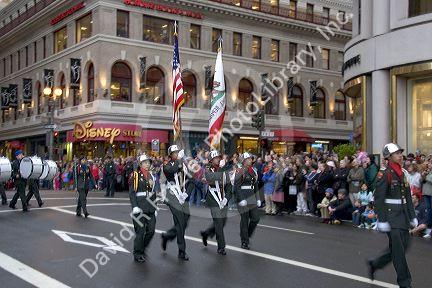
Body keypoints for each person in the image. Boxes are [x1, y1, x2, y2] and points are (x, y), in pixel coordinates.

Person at [367, 143, 417, 288]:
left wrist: (412, 215)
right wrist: (382, 220)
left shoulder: (402, 173)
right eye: (397, 153)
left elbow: (407, 195)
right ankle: (405, 283)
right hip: (391, 217)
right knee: (399, 252)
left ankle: (375, 264)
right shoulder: (385, 173)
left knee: (403, 247)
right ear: (389, 157)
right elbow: (379, 199)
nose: (400, 155)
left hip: (403, 216)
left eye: (400, 153)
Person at [161, 145, 191, 261]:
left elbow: (191, 180)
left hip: (182, 196)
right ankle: (182, 251)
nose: (177, 154)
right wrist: (179, 159)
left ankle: (167, 236)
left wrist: (187, 193)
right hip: (172, 196)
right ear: (170, 156)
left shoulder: (184, 165)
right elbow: (173, 170)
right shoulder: (167, 165)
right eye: (175, 153)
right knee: (180, 221)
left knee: (185, 219)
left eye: (178, 152)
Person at [200, 150, 232, 255]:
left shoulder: (223, 169)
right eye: (216, 158)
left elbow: (229, 186)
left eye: (219, 157)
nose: (218, 159)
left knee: (223, 222)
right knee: (218, 222)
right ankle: (221, 247)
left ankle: (206, 233)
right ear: (211, 160)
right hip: (213, 198)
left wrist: (227, 198)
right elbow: (211, 178)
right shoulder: (208, 169)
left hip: (223, 198)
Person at [129, 154, 158, 263]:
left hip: (150, 207)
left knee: (151, 231)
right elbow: (132, 193)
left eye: (148, 162)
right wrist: (135, 206)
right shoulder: (135, 175)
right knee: (140, 232)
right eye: (145, 162)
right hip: (139, 207)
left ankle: (142, 248)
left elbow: (153, 193)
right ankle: (137, 253)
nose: (147, 164)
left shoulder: (151, 176)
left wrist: (155, 207)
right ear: (140, 164)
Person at [233, 152, 260, 250]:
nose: (250, 160)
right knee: (244, 220)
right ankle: (244, 241)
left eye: (250, 158)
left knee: (256, 218)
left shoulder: (253, 171)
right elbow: (237, 186)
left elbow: (255, 185)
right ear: (244, 161)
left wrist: (258, 198)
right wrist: (241, 199)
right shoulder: (240, 171)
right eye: (248, 159)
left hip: (251, 197)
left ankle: (246, 235)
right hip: (243, 198)